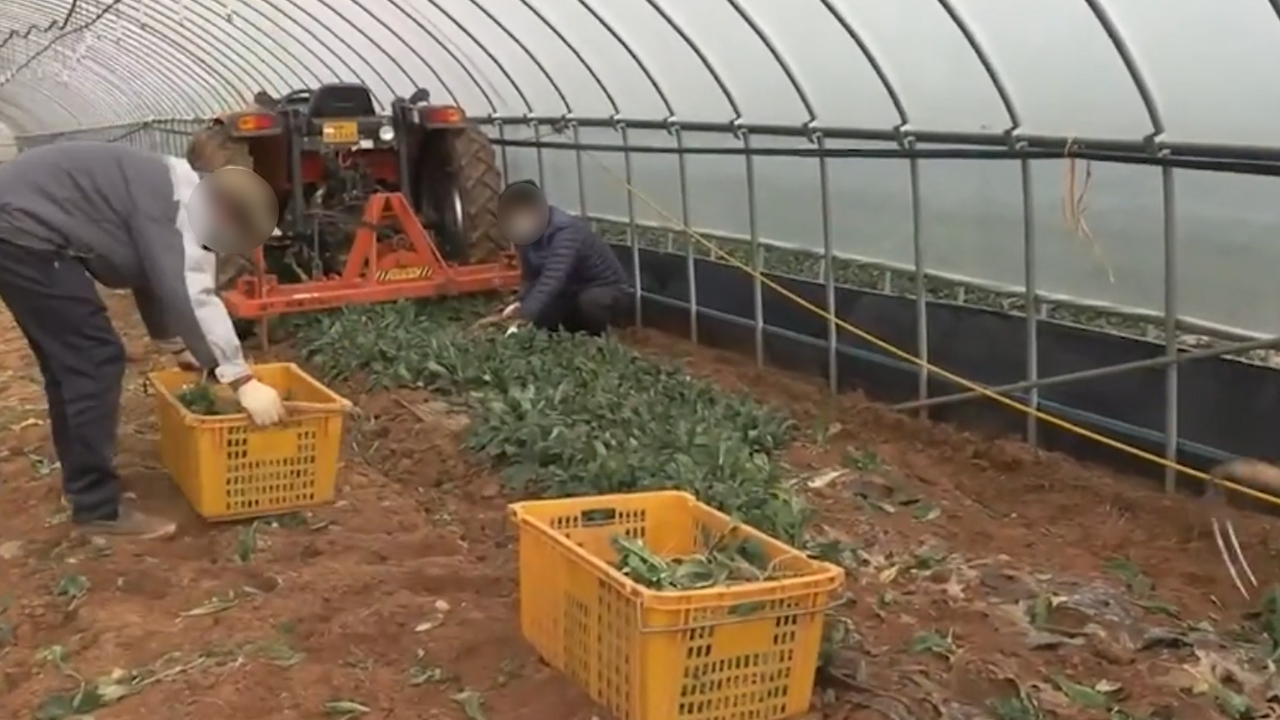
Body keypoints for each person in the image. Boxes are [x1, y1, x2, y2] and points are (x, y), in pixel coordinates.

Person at [0, 136, 287, 539]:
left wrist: (175, 345)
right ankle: (96, 506)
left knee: (70, 365)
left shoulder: (170, 185)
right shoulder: (183, 209)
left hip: (19, 225)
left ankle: (86, 485)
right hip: (24, 230)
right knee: (94, 360)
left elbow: (150, 276)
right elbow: (189, 290)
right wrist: (241, 379)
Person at [496, 180, 630, 335]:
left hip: (606, 289)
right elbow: (531, 277)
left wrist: (525, 315)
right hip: (571, 289)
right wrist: (521, 302)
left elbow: (552, 278)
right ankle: (575, 329)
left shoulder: (566, 231)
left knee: (590, 303)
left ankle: (601, 337)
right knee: (543, 323)